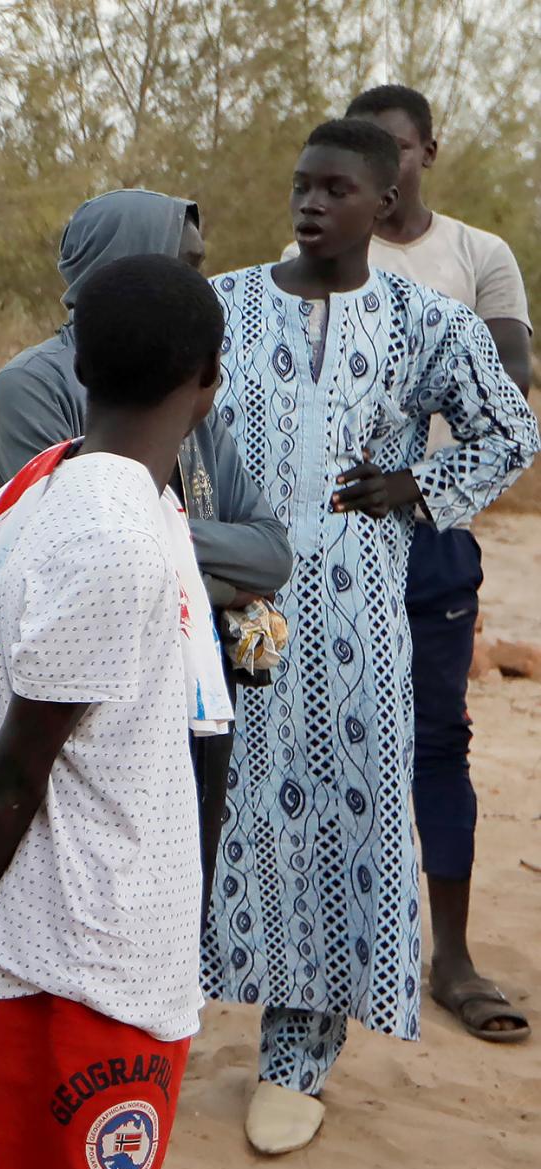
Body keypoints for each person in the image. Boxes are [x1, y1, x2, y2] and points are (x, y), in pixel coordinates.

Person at [0, 253, 232, 1169]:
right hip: (85, 946)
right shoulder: (113, 532)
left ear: (73, 366)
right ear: (208, 385)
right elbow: (12, 766)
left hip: (91, 930)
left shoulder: (81, 489)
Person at [0, 188, 293, 1169]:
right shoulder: (39, 392)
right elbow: (48, 526)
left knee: (167, 901)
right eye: (185, 255)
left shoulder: (183, 388)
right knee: (77, 961)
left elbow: (269, 547)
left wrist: (174, 541)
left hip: (186, 695)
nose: (204, 272)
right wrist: (169, 546)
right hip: (89, 709)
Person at [206, 119, 537, 1155]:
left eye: (334, 188)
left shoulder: (421, 321)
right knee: (230, 798)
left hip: (355, 630)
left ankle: (296, 1051)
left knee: (337, 816)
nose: (310, 204)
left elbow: (510, 429)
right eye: (300, 185)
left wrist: (420, 485)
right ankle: (171, 1008)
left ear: (383, 199)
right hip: (241, 618)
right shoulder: (223, 304)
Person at [343, 83, 534, 1043]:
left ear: (428, 151)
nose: (379, 169)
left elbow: (506, 389)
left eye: (395, 149)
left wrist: (414, 468)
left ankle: (449, 955)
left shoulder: (478, 256)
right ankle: (330, 949)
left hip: (432, 527)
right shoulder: (329, 240)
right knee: (321, 735)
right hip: (332, 527)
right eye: (358, 152)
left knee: (437, 741)